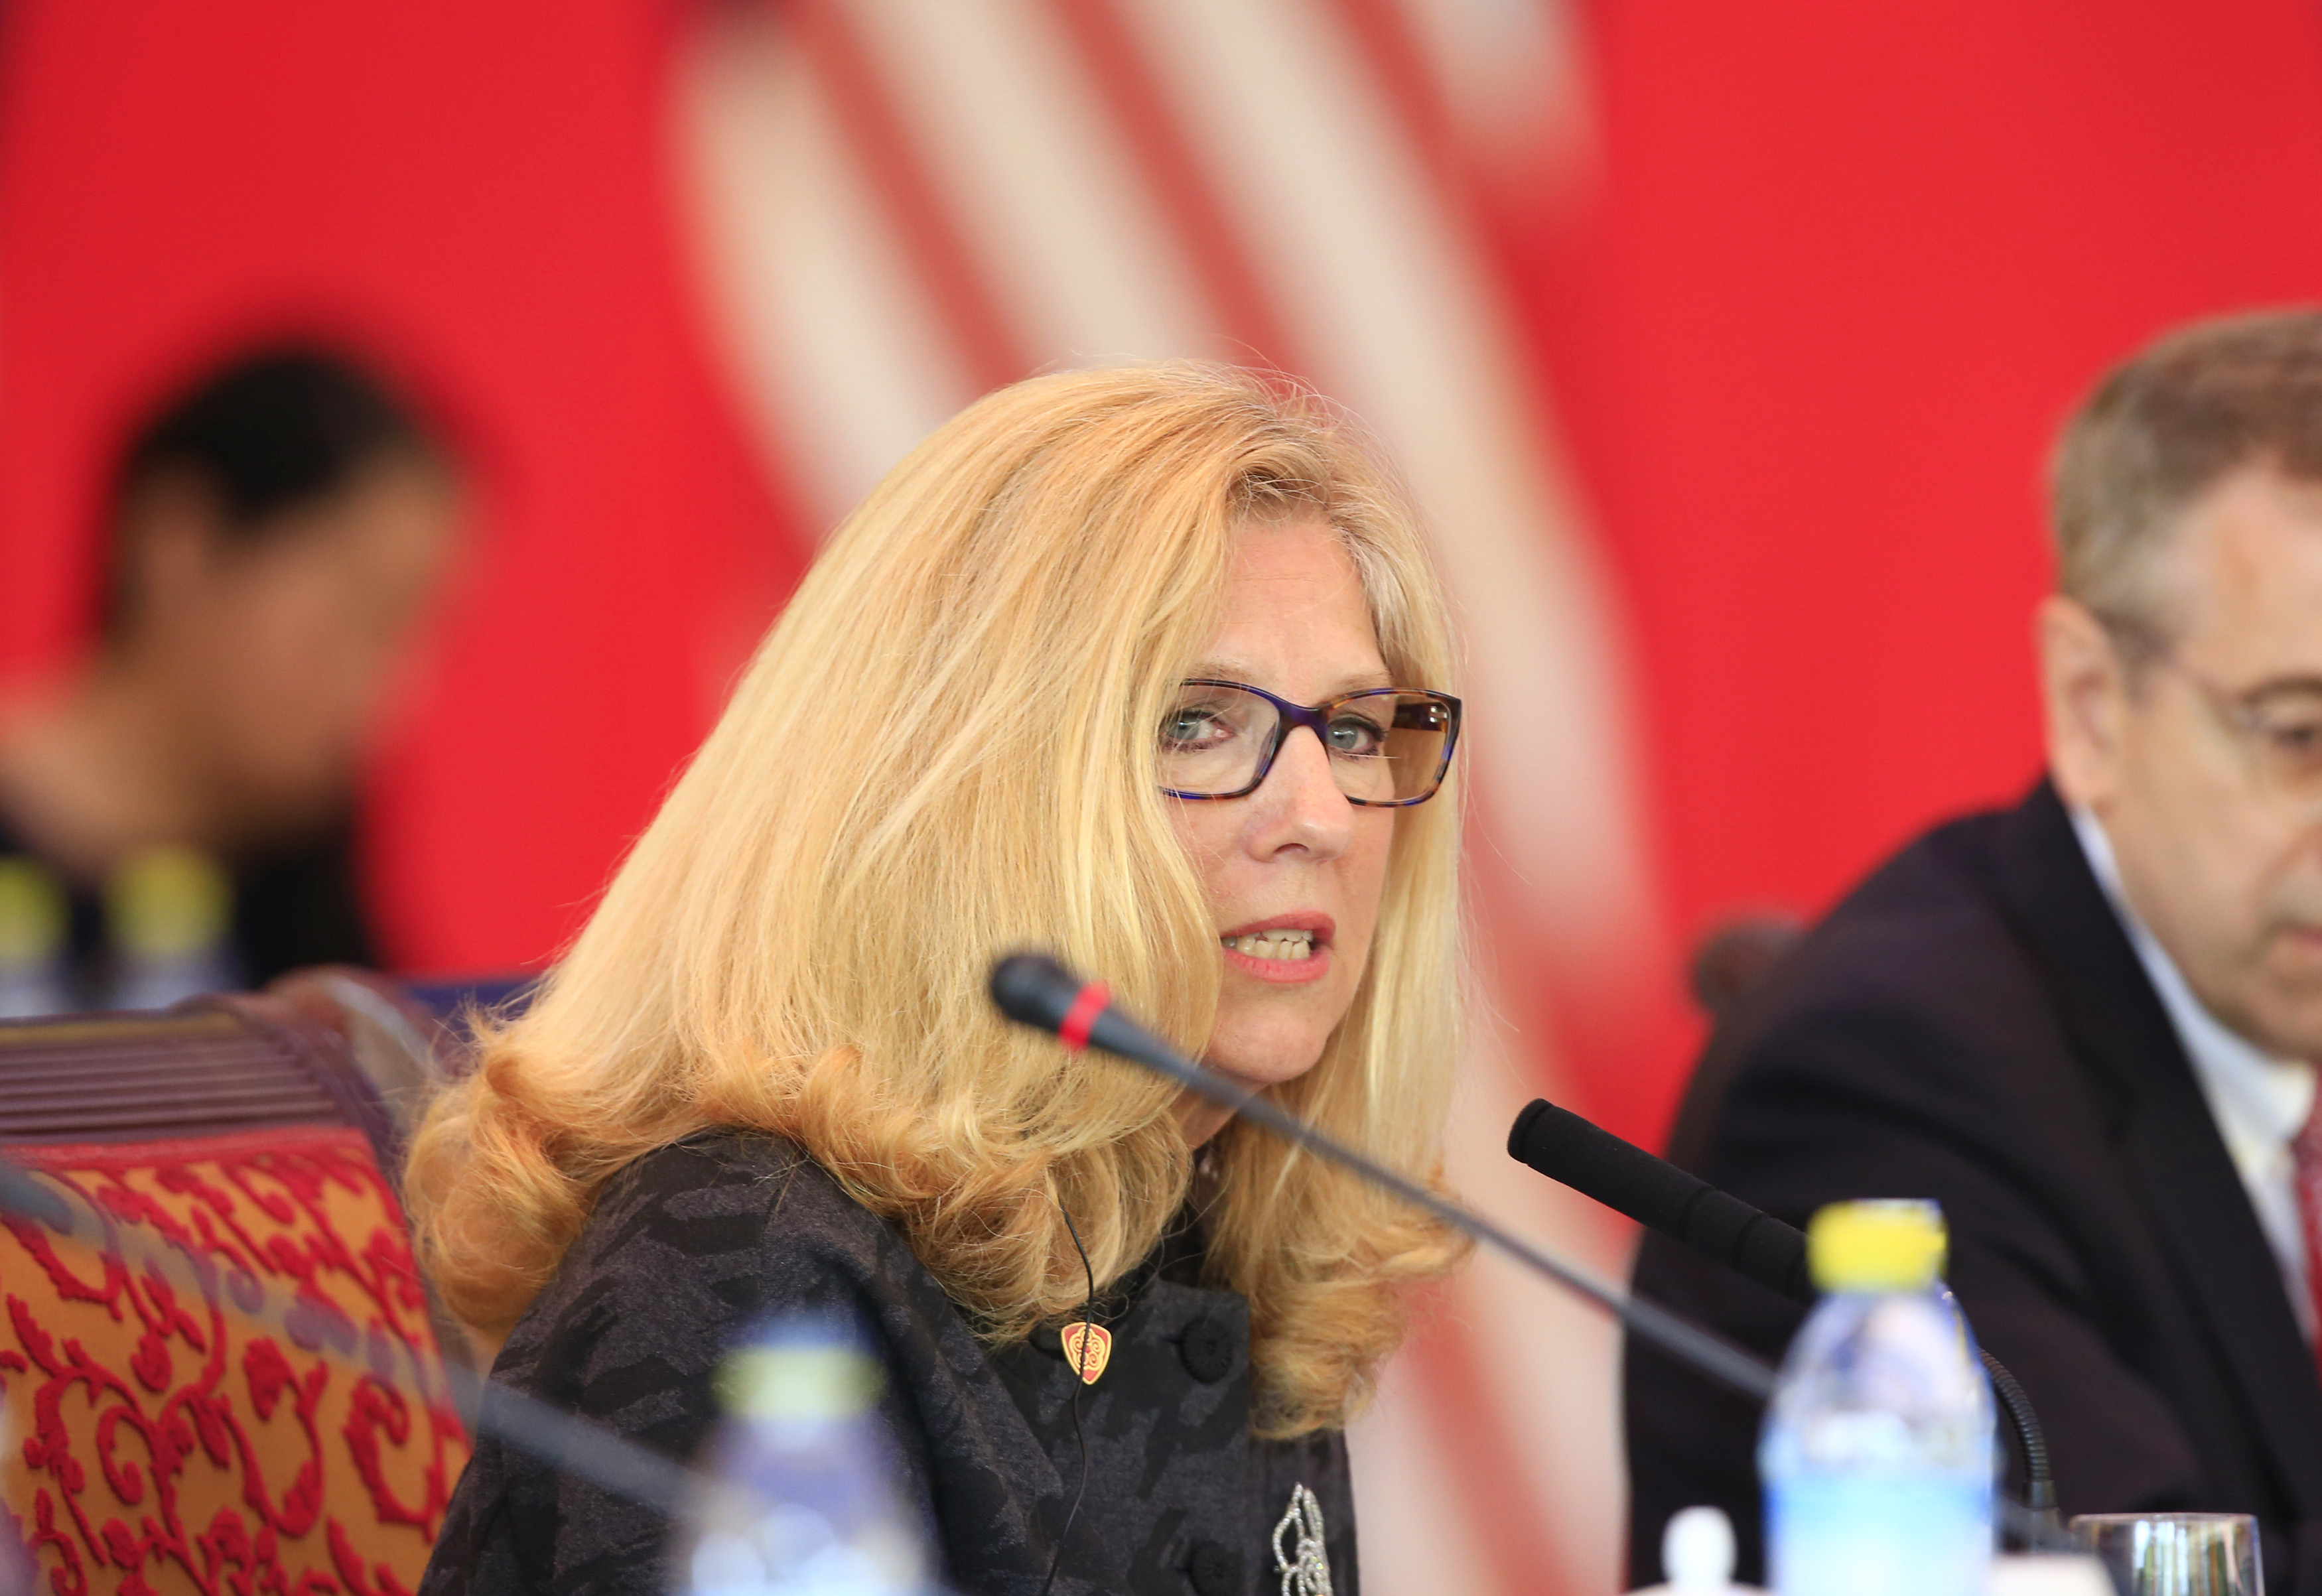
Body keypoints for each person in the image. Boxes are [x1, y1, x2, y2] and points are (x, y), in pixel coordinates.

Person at [407, 364, 1471, 1596]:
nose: (1322, 817)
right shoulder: (745, 1266)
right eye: (1197, 723)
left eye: (1351, 728)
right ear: (973, 795)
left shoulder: (1206, 1231)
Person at [1624, 309, 2322, 1596]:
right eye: (2296, 735)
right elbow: (2111, 1580)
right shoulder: (1882, 1081)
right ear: (2091, 709)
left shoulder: (2280, 1007)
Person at [0, 344, 462, 1008]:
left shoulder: (309, 893)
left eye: (413, 640)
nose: (389, 697)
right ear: (181, 544)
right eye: (355, 620)